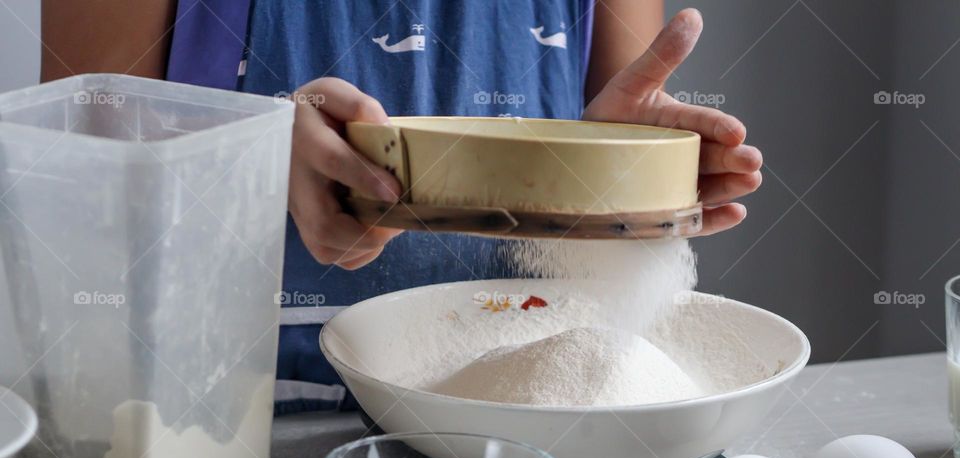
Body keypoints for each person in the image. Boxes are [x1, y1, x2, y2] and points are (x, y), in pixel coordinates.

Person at [42, 1, 762, 413]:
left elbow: (613, 125)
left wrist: (623, 172)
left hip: (528, 440)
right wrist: (248, 154)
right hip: (222, 449)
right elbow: (74, 194)